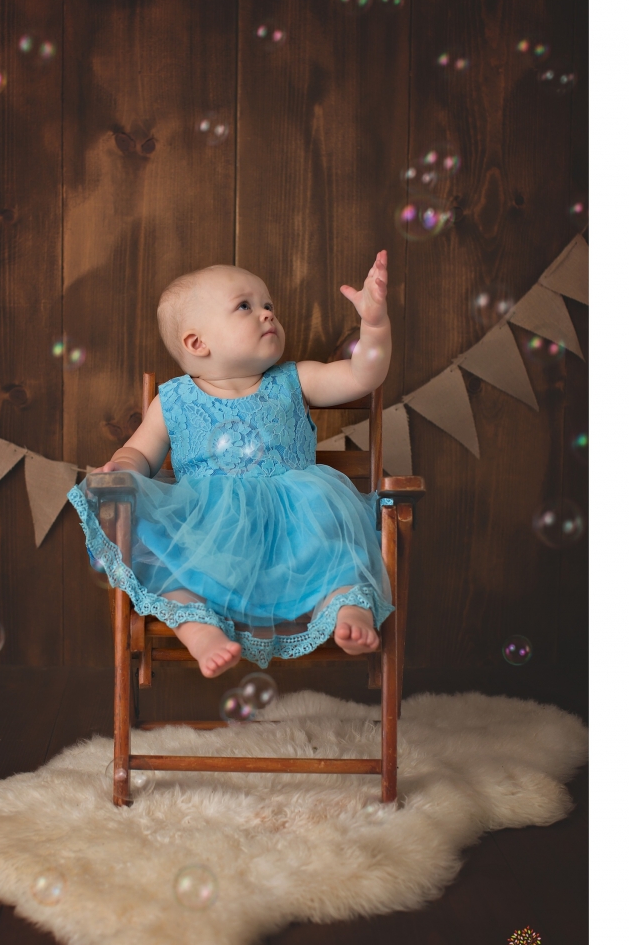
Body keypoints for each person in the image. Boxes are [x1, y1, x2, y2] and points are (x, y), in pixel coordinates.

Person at [67, 252, 394, 678]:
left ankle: (348, 610)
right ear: (197, 343)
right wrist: (122, 468)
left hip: (299, 527)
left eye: (268, 305)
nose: (266, 314)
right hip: (210, 533)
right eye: (246, 306)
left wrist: (374, 325)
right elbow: (140, 454)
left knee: (339, 559)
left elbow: (363, 376)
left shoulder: (297, 379)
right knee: (173, 574)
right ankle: (202, 631)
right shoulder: (172, 401)